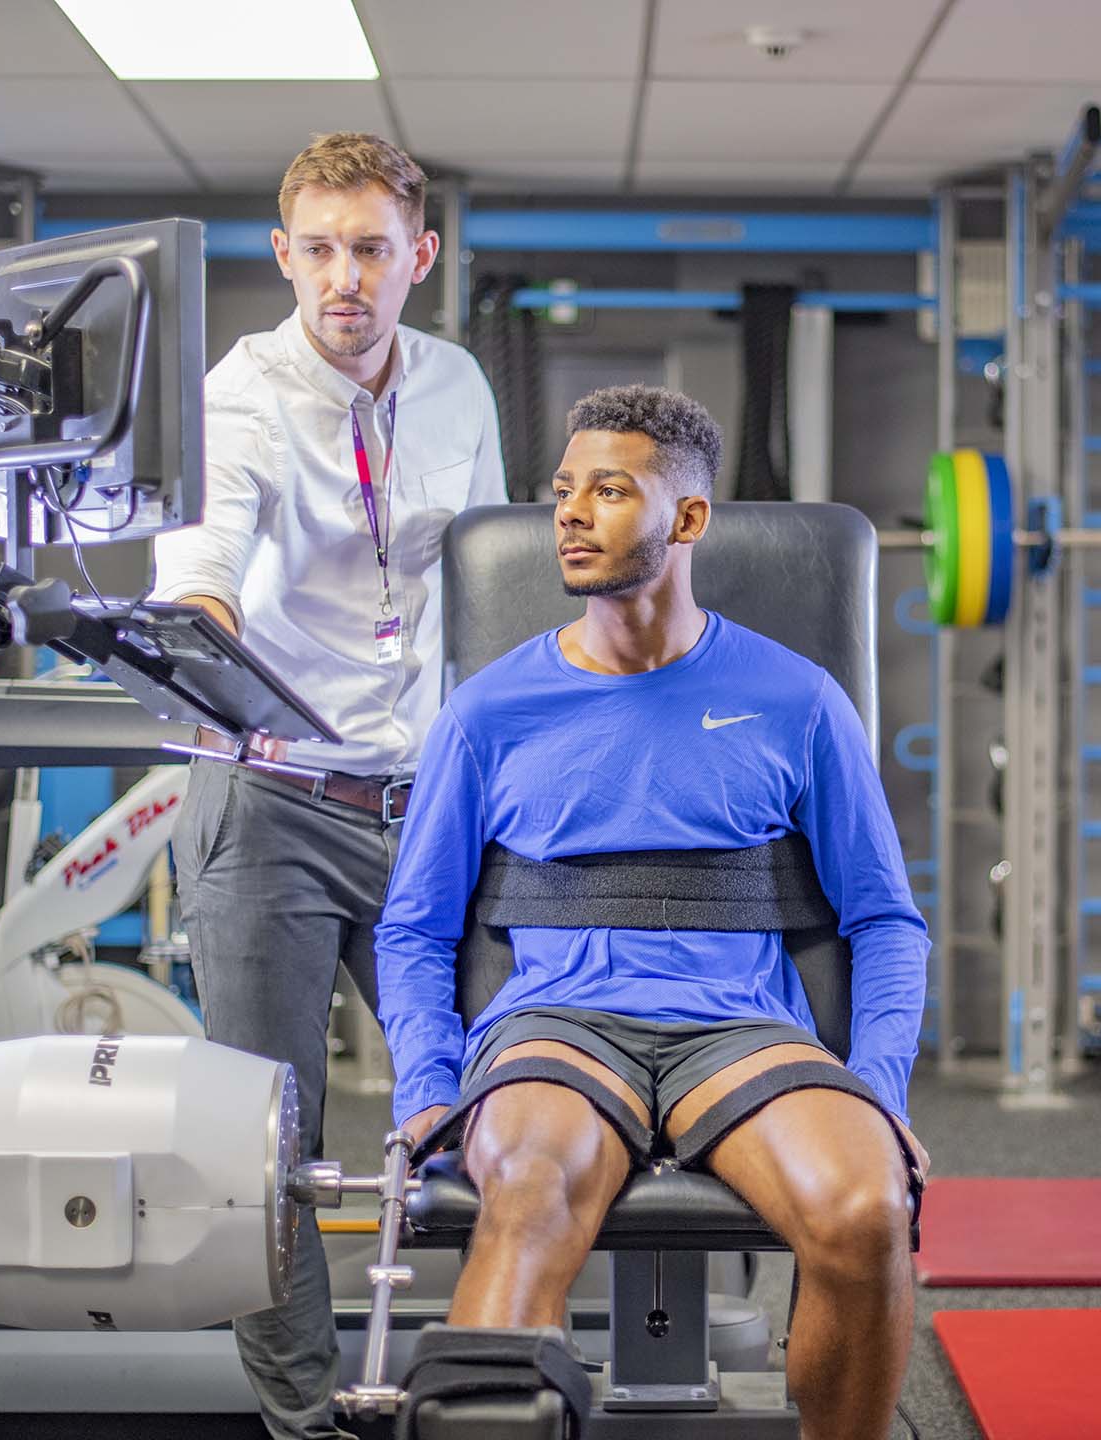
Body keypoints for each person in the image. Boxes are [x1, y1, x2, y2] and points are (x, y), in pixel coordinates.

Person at [373, 385, 929, 1440]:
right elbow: (414, 928)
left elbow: (886, 920)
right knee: (528, 1193)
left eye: (610, 490)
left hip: (739, 1029)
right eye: (563, 490)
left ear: (687, 519)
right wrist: (428, 1083)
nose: (571, 514)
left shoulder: (797, 698)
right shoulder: (488, 711)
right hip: (559, 1028)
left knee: (866, 1212)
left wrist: (882, 1089)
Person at [151, 131, 505, 1439]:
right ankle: (305, 1423)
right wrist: (196, 613)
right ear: (282, 254)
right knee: (270, 1148)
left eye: (370, 249)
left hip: (427, 807)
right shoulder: (238, 399)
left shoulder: (460, 389)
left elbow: (492, 581)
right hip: (274, 801)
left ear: (419, 256)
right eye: (319, 250)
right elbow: (211, 547)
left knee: (501, 1103)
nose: (344, 279)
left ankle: (488, 1385)